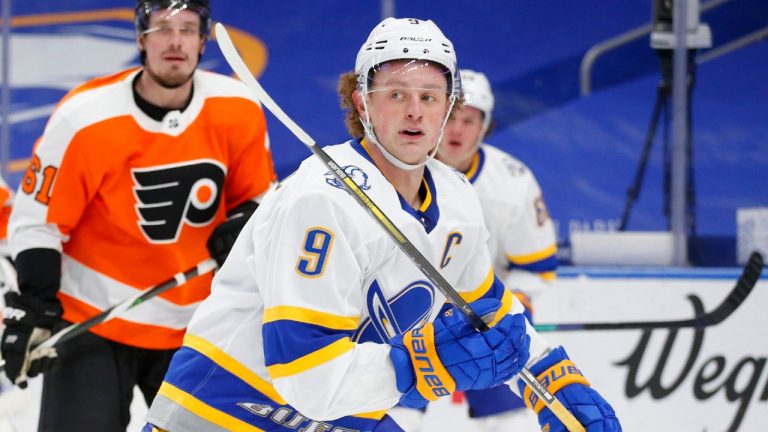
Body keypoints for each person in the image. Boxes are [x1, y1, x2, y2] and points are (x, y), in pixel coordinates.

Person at [145, 17, 621, 432]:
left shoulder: (456, 197)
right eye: (396, 94)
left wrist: (553, 379)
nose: (415, 110)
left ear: (448, 108)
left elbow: (489, 314)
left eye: (430, 97)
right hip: (221, 411)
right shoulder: (320, 201)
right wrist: (428, 365)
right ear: (362, 103)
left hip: (338, 416)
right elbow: (307, 376)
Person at [1, 0, 276, 430]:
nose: (175, 41)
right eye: (161, 28)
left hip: (197, 323)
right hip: (93, 315)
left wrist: (246, 222)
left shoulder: (237, 106)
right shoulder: (85, 116)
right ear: (140, 39)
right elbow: (38, 221)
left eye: (187, 29)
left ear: (204, 41)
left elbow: (260, 198)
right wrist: (34, 303)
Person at [439, 69, 558, 430]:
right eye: (452, 118)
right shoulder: (398, 169)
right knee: (394, 412)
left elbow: (537, 268)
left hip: (486, 315)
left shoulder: (513, 181)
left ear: (485, 126)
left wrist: (511, 302)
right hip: (406, 311)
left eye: (470, 120)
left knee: (506, 418)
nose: (458, 130)